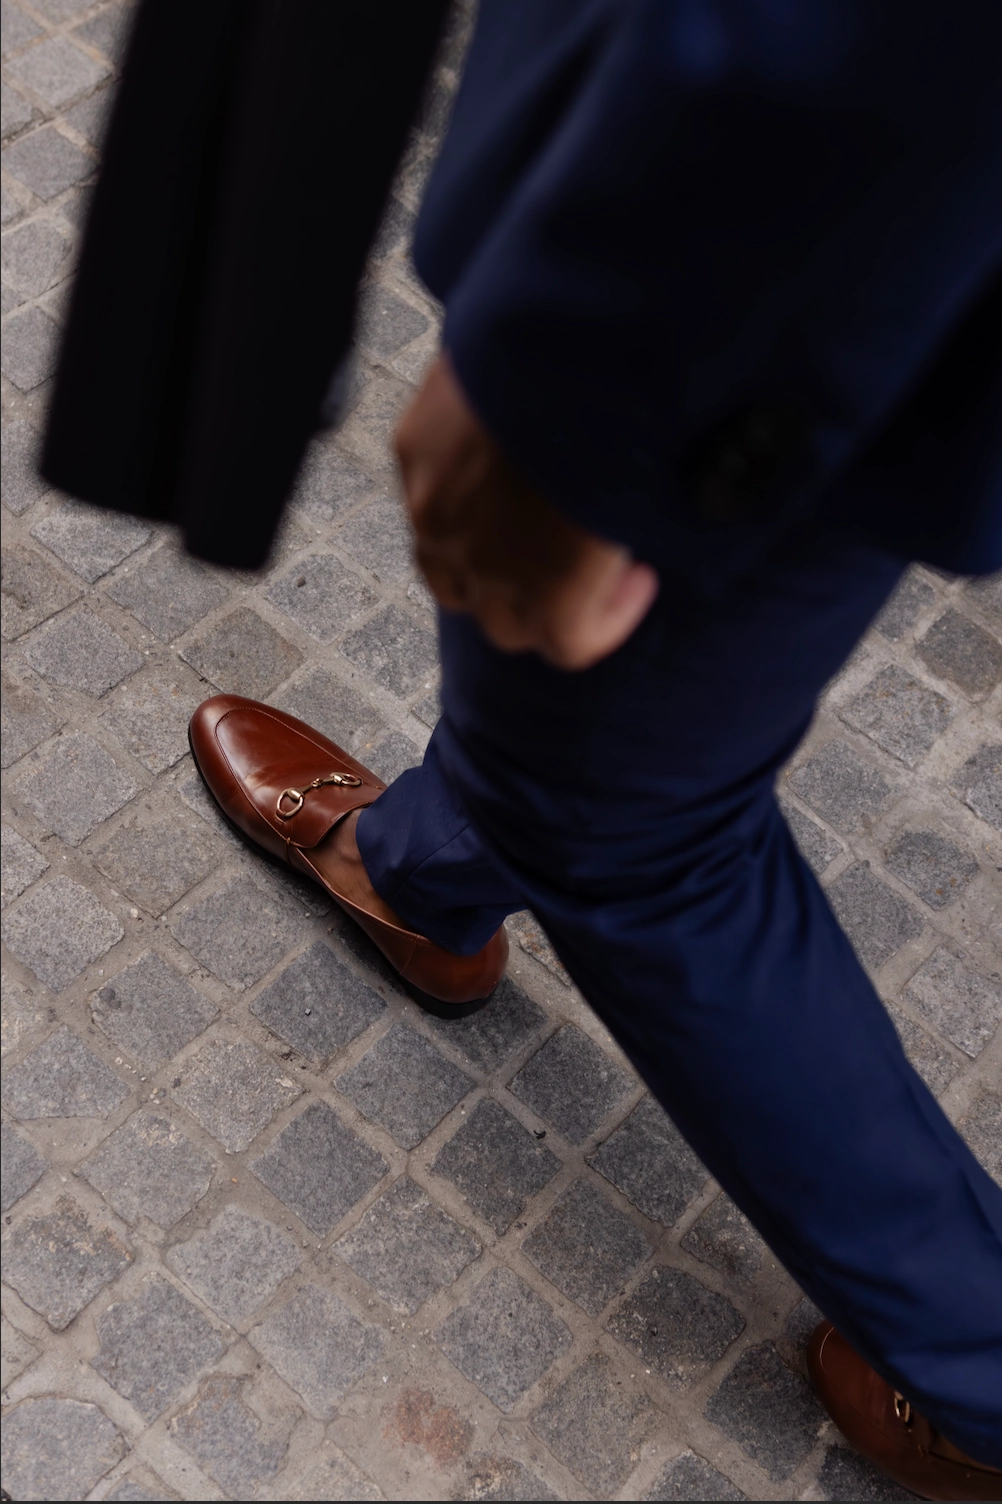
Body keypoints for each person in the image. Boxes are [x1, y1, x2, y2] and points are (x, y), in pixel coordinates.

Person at [46, 1, 1002, 1496]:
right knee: (617, 747)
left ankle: (980, 1373)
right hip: (874, 237)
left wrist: (602, 405)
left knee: (636, 831)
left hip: (780, 232)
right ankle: (426, 875)